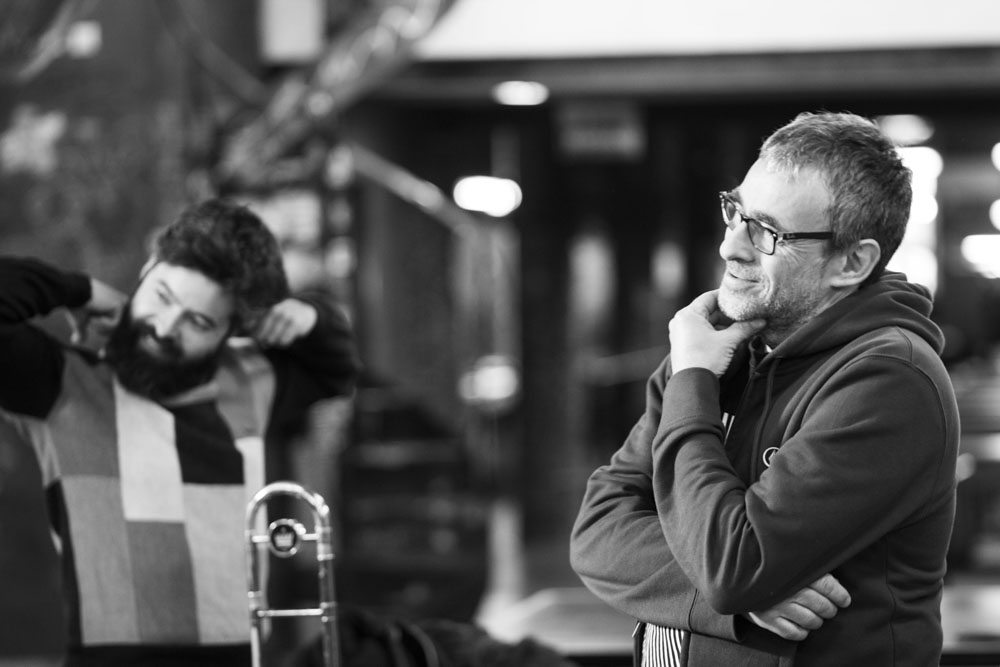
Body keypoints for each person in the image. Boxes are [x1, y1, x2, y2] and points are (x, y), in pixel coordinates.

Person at [570, 111, 960, 666]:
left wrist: (693, 383)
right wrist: (734, 608)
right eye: (736, 212)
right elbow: (596, 532)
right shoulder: (713, 349)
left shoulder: (890, 379)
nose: (731, 247)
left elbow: (734, 568)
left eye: (767, 232)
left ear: (852, 262)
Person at [0, 199, 361, 666]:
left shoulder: (249, 379)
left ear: (229, 333)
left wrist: (310, 315)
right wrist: (78, 289)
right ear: (148, 268)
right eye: (163, 296)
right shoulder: (64, 383)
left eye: (199, 322)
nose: (166, 328)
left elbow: (337, 366)